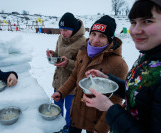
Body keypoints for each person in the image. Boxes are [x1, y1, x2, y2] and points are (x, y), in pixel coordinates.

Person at [83, 0, 161, 133]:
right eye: (133, 22)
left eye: (147, 21)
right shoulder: (146, 57)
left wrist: (110, 108)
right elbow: (135, 92)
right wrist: (107, 79)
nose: (135, 30)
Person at [51, 15, 128, 133]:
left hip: (96, 119)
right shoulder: (83, 52)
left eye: (102, 36)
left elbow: (115, 101)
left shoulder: (119, 64)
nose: (95, 40)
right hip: (76, 112)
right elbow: (74, 77)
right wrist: (62, 92)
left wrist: (101, 128)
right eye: (93, 34)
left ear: (110, 39)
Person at [46, 12, 86, 132]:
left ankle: (67, 128)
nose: (62, 33)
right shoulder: (60, 38)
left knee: (70, 110)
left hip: (71, 85)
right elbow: (59, 55)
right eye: (61, 29)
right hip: (58, 81)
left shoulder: (83, 42)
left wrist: (68, 63)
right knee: (57, 108)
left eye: (66, 30)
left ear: (73, 29)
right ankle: (57, 127)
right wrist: (53, 55)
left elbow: (83, 66)